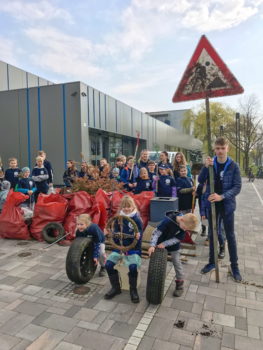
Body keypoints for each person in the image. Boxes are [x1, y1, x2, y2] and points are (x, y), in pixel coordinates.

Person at [198, 137, 242, 281]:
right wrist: (205, 166)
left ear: (227, 148)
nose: (220, 151)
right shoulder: (211, 164)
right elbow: (200, 180)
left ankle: (235, 267)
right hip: (212, 204)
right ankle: (212, 262)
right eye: (217, 148)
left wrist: (222, 196)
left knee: (230, 235)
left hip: (227, 204)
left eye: (223, 148)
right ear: (214, 149)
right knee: (212, 234)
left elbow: (237, 187)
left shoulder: (233, 165)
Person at [148, 212, 198, 297]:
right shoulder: (167, 221)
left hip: (173, 245)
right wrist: (152, 245)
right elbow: (156, 233)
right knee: (157, 261)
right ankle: (156, 280)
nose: (185, 230)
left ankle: (180, 283)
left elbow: (177, 239)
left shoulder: (183, 227)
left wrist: (165, 244)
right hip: (159, 243)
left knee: (176, 261)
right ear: (181, 220)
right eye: (185, 228)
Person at [104, 196, 143, 303]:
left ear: (133, 206)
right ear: (121, 207)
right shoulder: (118, 219)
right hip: (119, 248)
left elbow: (139, 239)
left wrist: (137, 237)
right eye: (124, 207)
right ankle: (116, 288)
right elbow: (115, 234)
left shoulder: (137, 220)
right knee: (108, 265)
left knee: (133, 267)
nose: (126, 209)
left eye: (129, 206)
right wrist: (109, 234)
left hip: (133, 249)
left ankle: (133, 290)